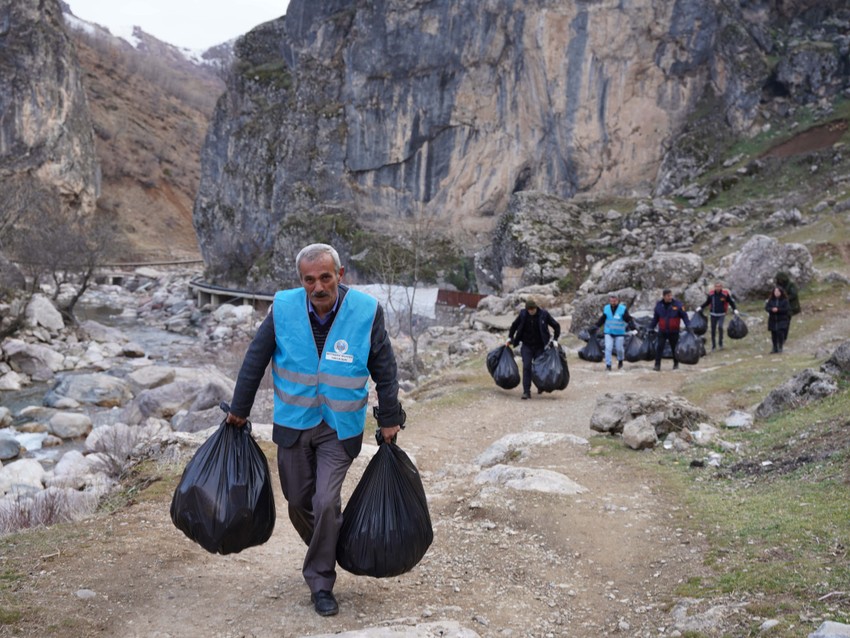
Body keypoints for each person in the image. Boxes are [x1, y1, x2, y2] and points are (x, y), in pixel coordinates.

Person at [224, 243, 406, 617]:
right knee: (297, 502)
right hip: (294, 423)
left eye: (326, 277)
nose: (318, 286)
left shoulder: (366, 311)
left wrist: (390, 417)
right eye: (310, 279)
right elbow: (255, 360)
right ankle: (334, 545)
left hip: (339, 428)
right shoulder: (284, 308)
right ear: (301, 281)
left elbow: (385, 368)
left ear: (341, 276)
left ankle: (321, 580)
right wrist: (239, 411)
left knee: (325, 501)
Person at [507, 298, 561, 399]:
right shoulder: (523, 314)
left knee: (538, 368)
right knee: (526, 366)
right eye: (529, 309)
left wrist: (555, 339)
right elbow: (514, 326)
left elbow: (556, 326)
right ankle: (526, 391)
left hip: (540, 346)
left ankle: (540, 385)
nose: (531, 311)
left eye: (532, 309)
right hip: (527, 345)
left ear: (536, 308)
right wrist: (510, 337)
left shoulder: (544, 315)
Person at [649, 289, 691, 371]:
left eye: (671, 295)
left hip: (674, 331)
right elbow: (655, 319)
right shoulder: (659, 306)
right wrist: (651, 327)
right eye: (668, 296)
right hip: (662, 331)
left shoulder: (678, 305)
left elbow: (684, 316)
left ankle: (676, 364)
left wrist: (688, 325)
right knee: (659, 347)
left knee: (674, 348)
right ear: (664, 296)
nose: (670, 297)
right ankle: (657, 365)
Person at [594, 292, 637, 371]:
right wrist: (596, 326)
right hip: (608, 332)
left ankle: (620, 361)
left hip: (619, 333)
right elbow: (602, 319)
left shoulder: (622, 309)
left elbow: (628, 319)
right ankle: (608, 365)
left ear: (618, 300)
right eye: (611, 301)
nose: (613, 303)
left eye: (614, 301)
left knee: (619, 349)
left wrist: (633, 328)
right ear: (609, 301)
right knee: (608, 348)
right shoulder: (606, 308)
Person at [699, 281, 738, 351]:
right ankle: (713, 346)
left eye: (719, 286)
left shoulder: (725, 294)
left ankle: (720, 344)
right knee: (713, 330)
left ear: (721, 287)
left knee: (720, 327)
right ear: (714, 287)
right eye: (716, 286)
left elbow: (731, 302)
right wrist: (700, 307)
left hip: (722, 314)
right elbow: (707, 302)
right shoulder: (711, 294)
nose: (718, 288)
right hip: (713, 314)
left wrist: (735, 309)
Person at [775, 271, 800, 345]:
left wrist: (785, 299)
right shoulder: (779, 286)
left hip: (790, 308)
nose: (779, 281)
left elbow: (794, 294)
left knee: (785, 324)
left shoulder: (791, 285)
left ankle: (783, 338)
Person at [765, 285, 791, 353]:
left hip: (781, 319)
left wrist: (778, 310)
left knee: (780, 333)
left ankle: (780, 347)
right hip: (773, 320)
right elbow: (767, 308)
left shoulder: (784, 301)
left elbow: (786, 309)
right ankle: (774, 347)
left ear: (781, 292)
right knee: (774, 334)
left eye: (778, 291)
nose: (776, 293)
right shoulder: (771, 300)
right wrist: (771, 309)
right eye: (775, 291)